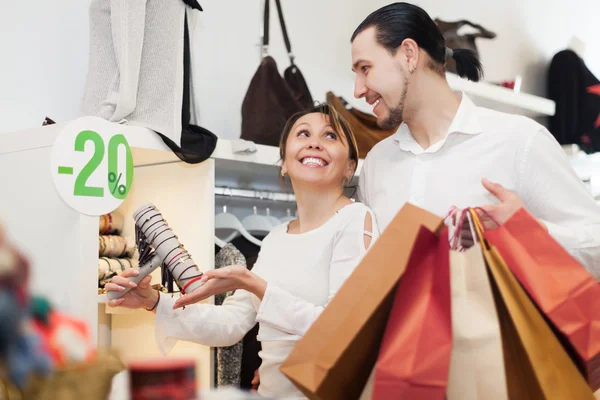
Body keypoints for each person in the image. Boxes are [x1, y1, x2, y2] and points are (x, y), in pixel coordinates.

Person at [106, 103, 380, 399]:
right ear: (284, 163)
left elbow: (341, 330)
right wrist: (154, 301)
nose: (314, 142)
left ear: (350, 167)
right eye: (303, 133)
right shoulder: (277, 238)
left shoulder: (355, 220)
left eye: (330, 136)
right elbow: (231, 323)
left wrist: (254, 284)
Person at [351, 2, 600, 274]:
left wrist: (528, 232)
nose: (358, 90)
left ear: (409, 54)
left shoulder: (520, 140)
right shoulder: (377, 162)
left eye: (365, 68)